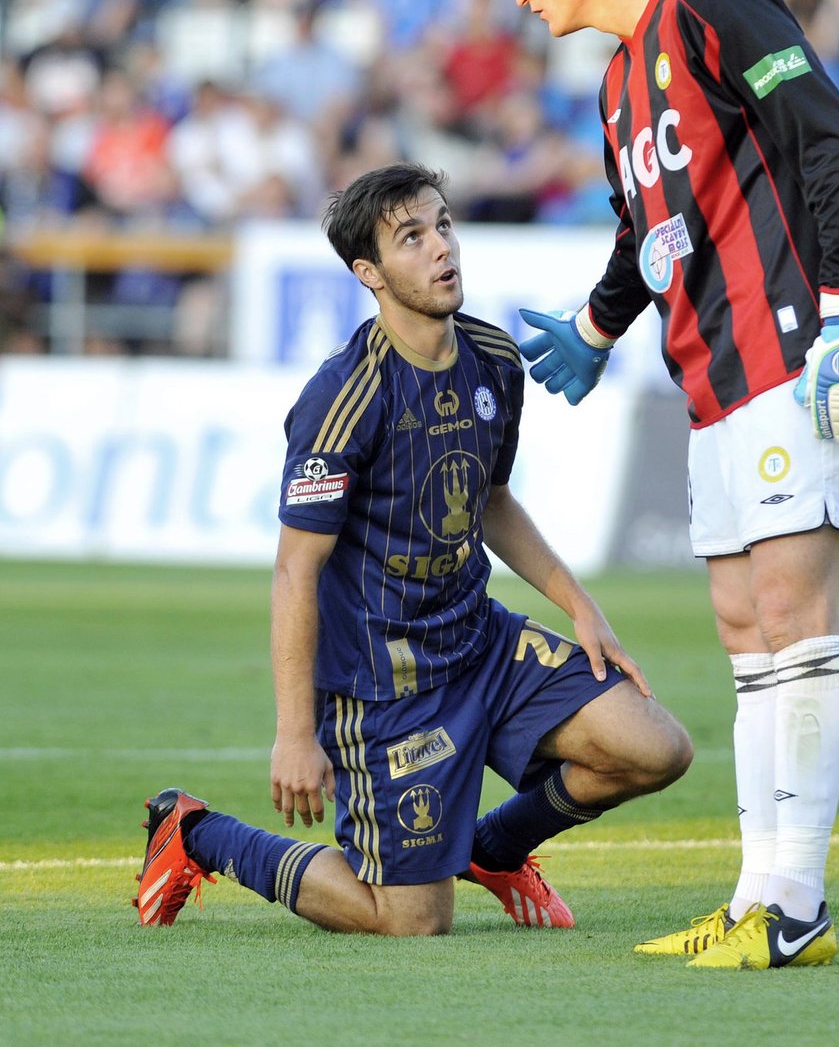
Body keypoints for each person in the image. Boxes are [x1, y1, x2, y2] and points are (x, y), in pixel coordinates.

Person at [499, 0, 839, 969]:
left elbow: (830, 141)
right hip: (713, 380)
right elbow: (648, 229)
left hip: (803, 355)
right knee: (741, 624)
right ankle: (758, 895)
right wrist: (595, 323)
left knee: (791, 610)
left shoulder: (717, 5)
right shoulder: (617, 84)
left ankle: (799, 905)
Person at [133, 161, 692, 936]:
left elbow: (491, 500)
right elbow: (297, 571)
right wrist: (295, 733)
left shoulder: (494, 358)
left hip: (481, 643)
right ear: (370, 273)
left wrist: (580, 607)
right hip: (387, 686)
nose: (441, 248)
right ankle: (196, 832)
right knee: (409, 923)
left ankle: (492, 849)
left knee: (655, 748)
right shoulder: (344, 398)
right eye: (411, 237)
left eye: (443, 226)